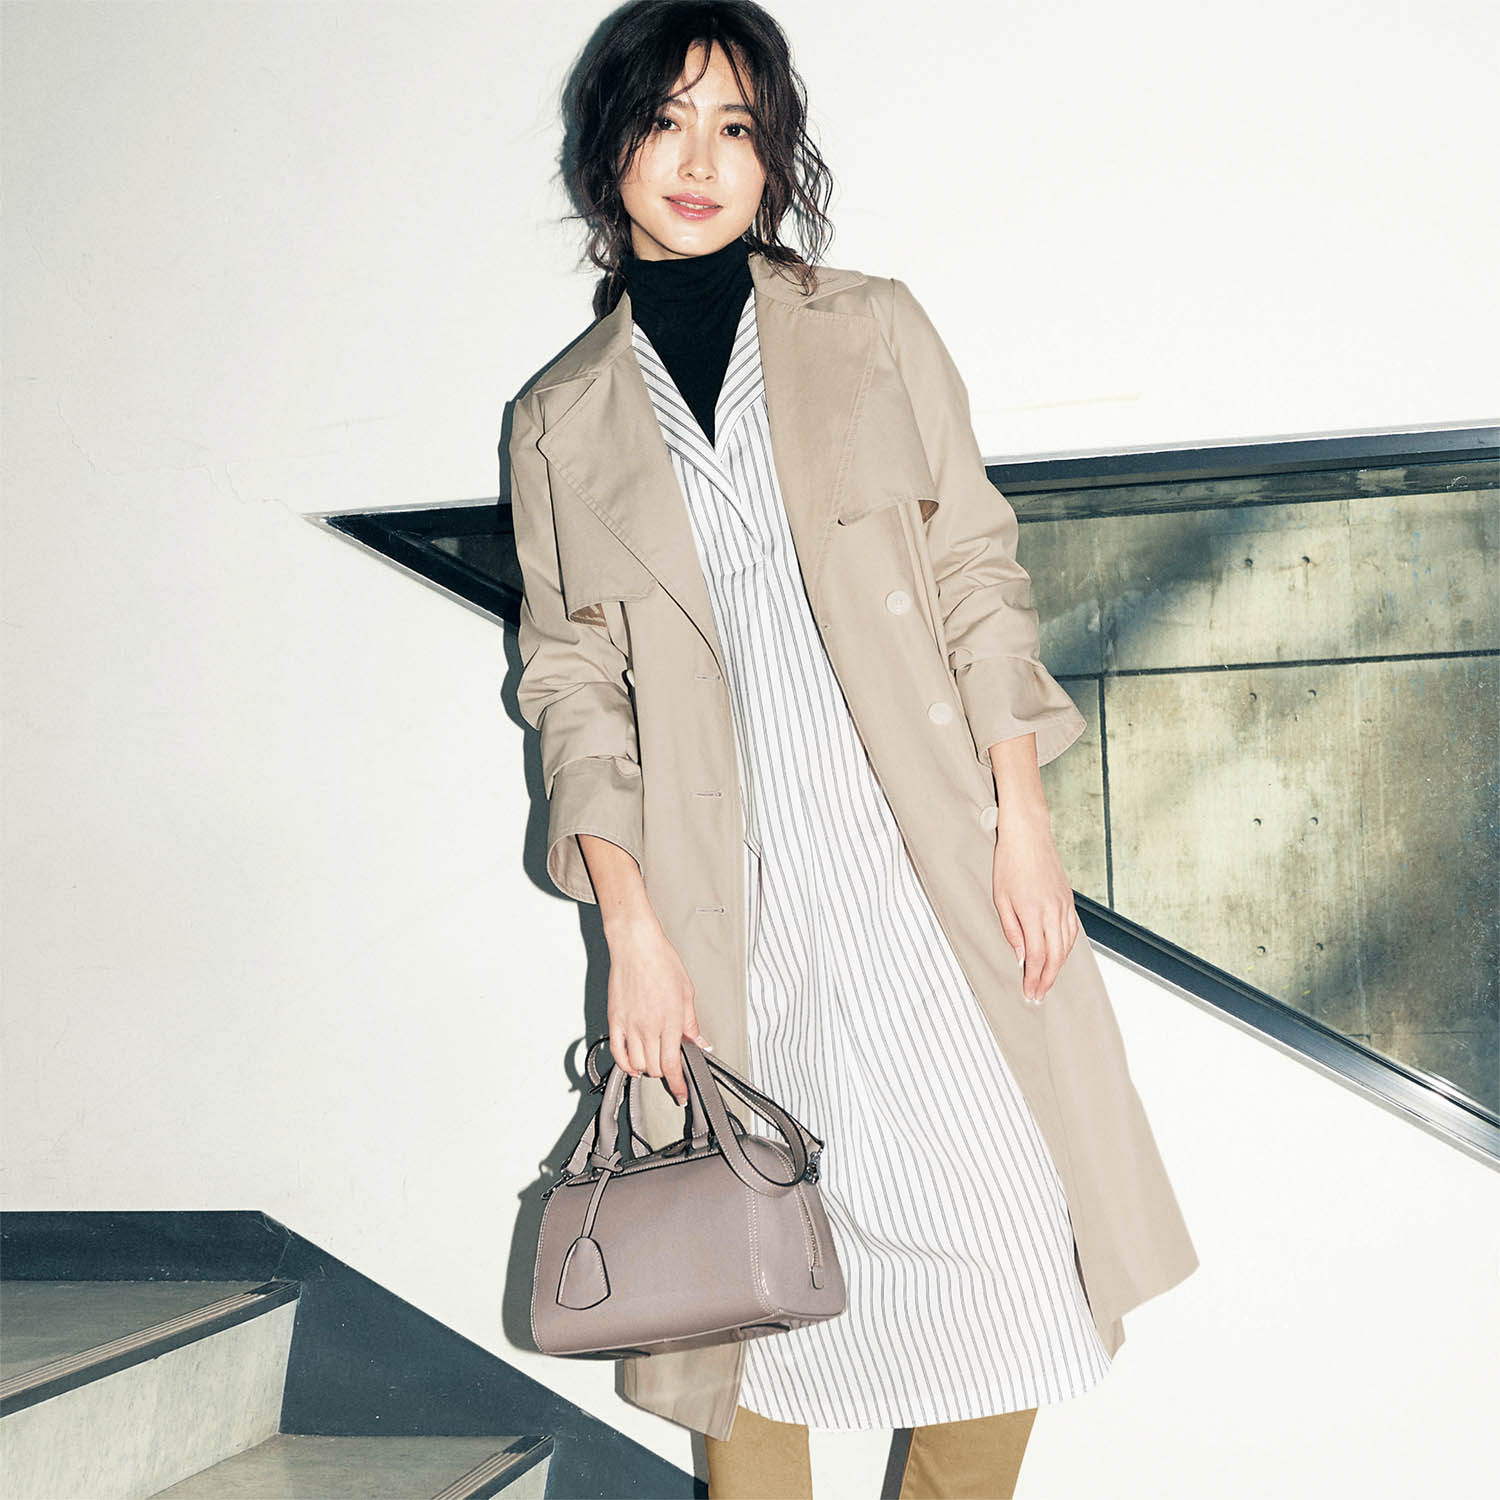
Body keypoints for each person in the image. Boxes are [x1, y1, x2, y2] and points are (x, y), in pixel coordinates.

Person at [507, 3, 1199, 1496]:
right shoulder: (560, 419)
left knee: (1013, 1241)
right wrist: (632, 932)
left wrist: (1022, 821)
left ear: (775, 160)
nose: (701, 161)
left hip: (923, 869)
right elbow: (574, 687)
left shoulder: (869, 326)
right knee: (736, 1283)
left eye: (736, 128)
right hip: (725, 908)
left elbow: (976, 571)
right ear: (609, 151)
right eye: (666, 122)